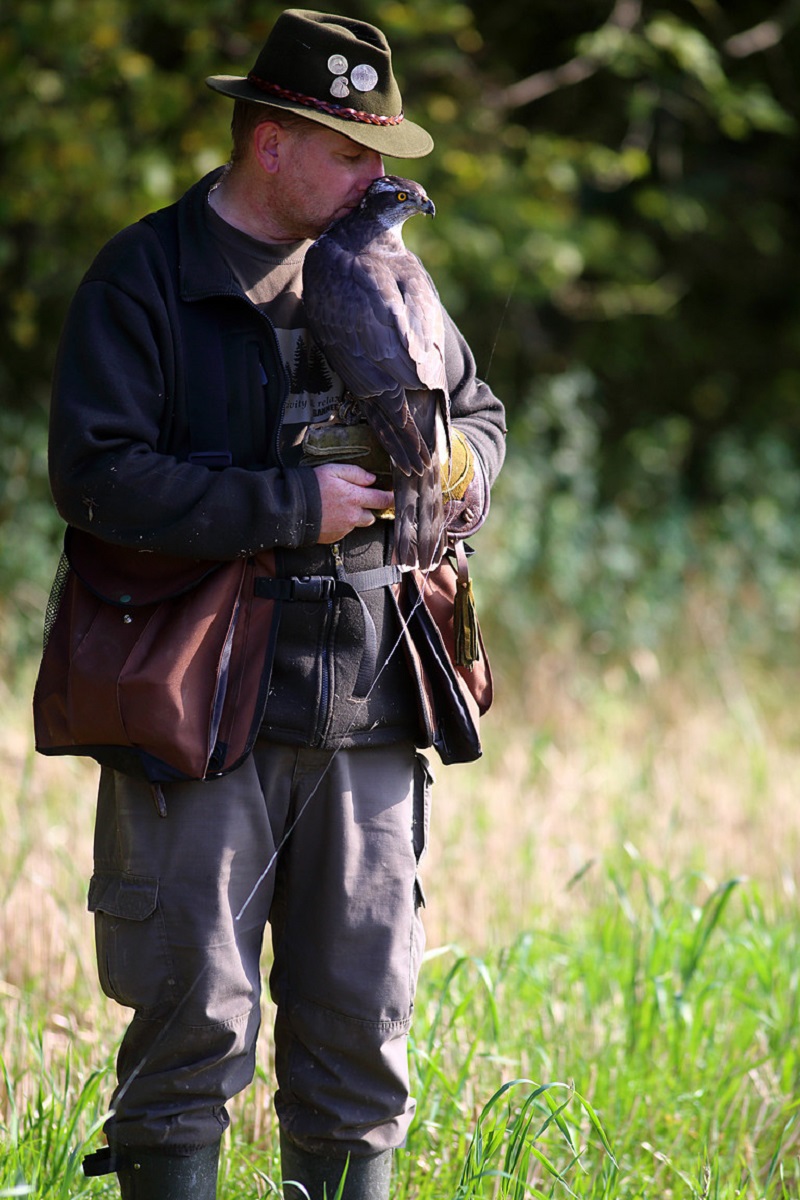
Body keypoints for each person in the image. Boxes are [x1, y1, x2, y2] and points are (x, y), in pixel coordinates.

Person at [47, 8, 506, 1199]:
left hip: (367, 704)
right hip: (196, 710)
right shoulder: (146, 276)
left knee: (360, 1038)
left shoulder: (385, 269)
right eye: (355, 153)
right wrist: (287, 506)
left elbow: (483, 416)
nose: (376, 177)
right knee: (190, 1024)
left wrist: (455, 477)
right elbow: (95, 476)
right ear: (271, 142)